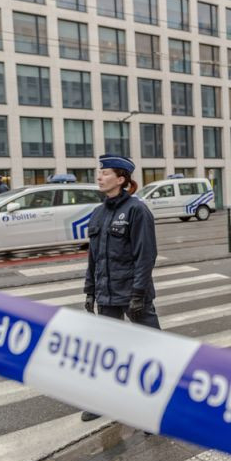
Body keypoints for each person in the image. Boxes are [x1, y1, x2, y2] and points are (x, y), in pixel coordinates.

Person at [81, 154, 160, 422]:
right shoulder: (99, 213)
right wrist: (90, 290)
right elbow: (94, 257)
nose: (99, 176)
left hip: (133, 294)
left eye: (104, 172)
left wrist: (138, 293)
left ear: (122, 179)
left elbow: (145, 255)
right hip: (107, 294)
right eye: (99, 172)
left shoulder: (137, 210)